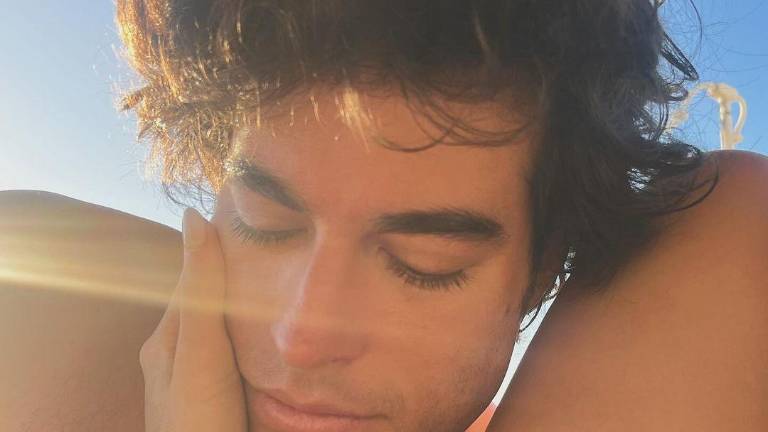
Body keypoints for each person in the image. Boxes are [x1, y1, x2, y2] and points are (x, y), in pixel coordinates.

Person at [1, 1, 766, 431]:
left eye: (423, 267)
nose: (301, 337)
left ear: (540, 272)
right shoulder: (30, 294)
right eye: (265, 223)